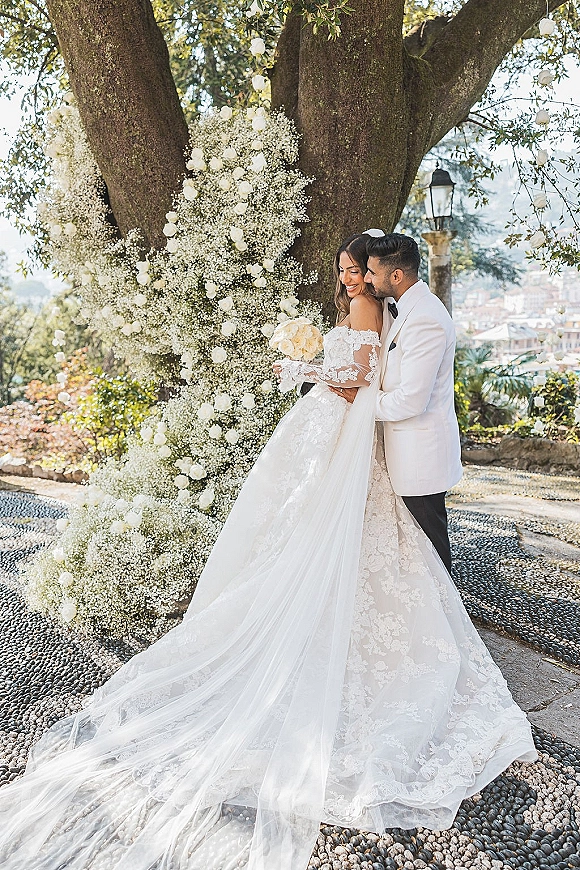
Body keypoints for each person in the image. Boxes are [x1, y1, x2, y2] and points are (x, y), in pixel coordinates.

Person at [0, 233, 536, 870]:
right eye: (345, 269)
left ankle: (427, 637)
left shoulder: (387, 313)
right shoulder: (380, 310)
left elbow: (365, 385)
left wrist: (311, 372)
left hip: (364, 430)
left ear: (383, 272)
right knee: (324, 528)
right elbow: (363, 375)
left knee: (388, 542)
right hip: (342, 428)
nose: (352, 277)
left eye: (359, 268)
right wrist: (313, 367)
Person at [331, 232, 461, 574]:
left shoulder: (426, 320)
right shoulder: (405, 310)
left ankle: (448, 621)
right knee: (421, 549)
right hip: (407, 450)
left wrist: (358, 407)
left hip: (422, 455)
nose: (367, 279)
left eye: (371, 272)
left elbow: (411, 401)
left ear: (397, 276)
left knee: (432, 548)